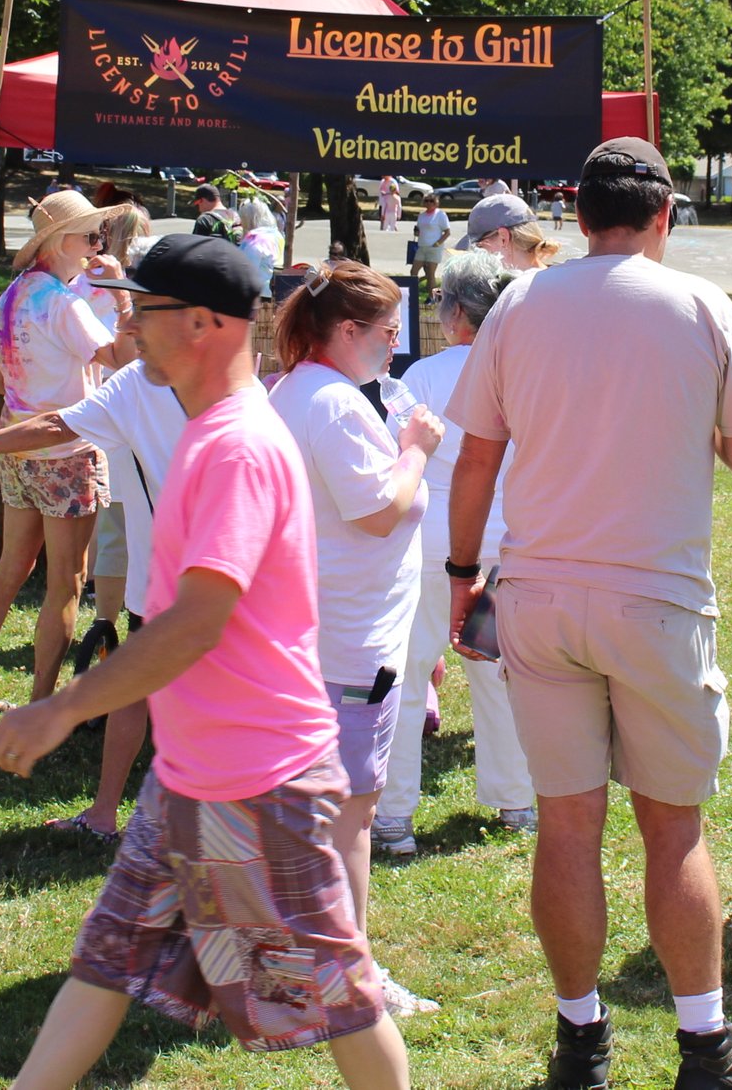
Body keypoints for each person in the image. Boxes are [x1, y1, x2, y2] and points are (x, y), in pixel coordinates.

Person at [0, 237, 410, 1090]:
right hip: (197, 775)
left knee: (335, 995)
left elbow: (200, 618)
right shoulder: (211, 431)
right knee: (105, 960)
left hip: (262, 781)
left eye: (143, 309)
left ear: (202, 323)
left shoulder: (239, 446)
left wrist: (62, 708)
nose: (125, 328)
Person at [446, 136, 732, 1090]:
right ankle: (705, 1052)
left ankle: (580, 1043)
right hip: (656, 598)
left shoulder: (518, 301)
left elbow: (476, 456)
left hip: (541, 594)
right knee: (671, 827)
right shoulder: (700, 304)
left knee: (566, 825)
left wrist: (458, 576)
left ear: (581, 217)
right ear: (665, 217)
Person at [268, 261, 447, 1019]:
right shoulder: (336, 403)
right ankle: (348, 974)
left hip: (315, 631)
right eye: (385, 331)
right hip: (350, 643)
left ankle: (290, 957)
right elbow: (378, 509)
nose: (394, 344)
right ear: (346, 332)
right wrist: (414, 448)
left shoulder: (298, 390)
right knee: (351, 817)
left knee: (307, 811)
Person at [375, 250, 535, 862]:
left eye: (442, 301)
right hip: (499, 541)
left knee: (408, 675)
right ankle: (515, 801)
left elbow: (401, 457)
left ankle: (394, 816)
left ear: (458, 311)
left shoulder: (425, 377)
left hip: (430, 542)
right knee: (497, 674)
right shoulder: (522, 371)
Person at [0, 192, 124, 716]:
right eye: (91, 235)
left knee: (10, 569)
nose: (98, 244)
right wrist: (121, 293)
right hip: (67, 450)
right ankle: (40, 711)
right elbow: (124, 357)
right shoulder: (64, 303)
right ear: (59, 241)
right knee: (66, 581)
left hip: (17, 447)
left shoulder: (12, 296)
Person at [24, 302, 190, 842]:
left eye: (138, 318)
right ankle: (115, 815)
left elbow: (58, 424)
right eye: (126, 319)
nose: (127, 330)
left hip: (178, 583)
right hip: (178, 577)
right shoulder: (158, 381)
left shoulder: (139, 386)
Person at [468, 192, 561, 272]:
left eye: (479, 246)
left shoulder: (517, 290)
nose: (476, 254)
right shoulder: (554, 281)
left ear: (503, 238)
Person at [411, 197, 452, 298]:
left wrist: (438, 243)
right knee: (413, 271)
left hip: (434, 248)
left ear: (436, 203)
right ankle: (412, 294)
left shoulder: (440, 215)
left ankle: (432, 298)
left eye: (432, 201)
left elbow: (447, 232)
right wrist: (416, 232)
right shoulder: (421, 215)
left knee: (430, 274)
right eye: (426, 201)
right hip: (421, 246)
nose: (429, 203)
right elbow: (419, 231)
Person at [239, 198, 283, 289]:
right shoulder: (276, 235)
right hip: (274, 287)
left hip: (258, 292)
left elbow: (246, 273)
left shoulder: (255, 241)